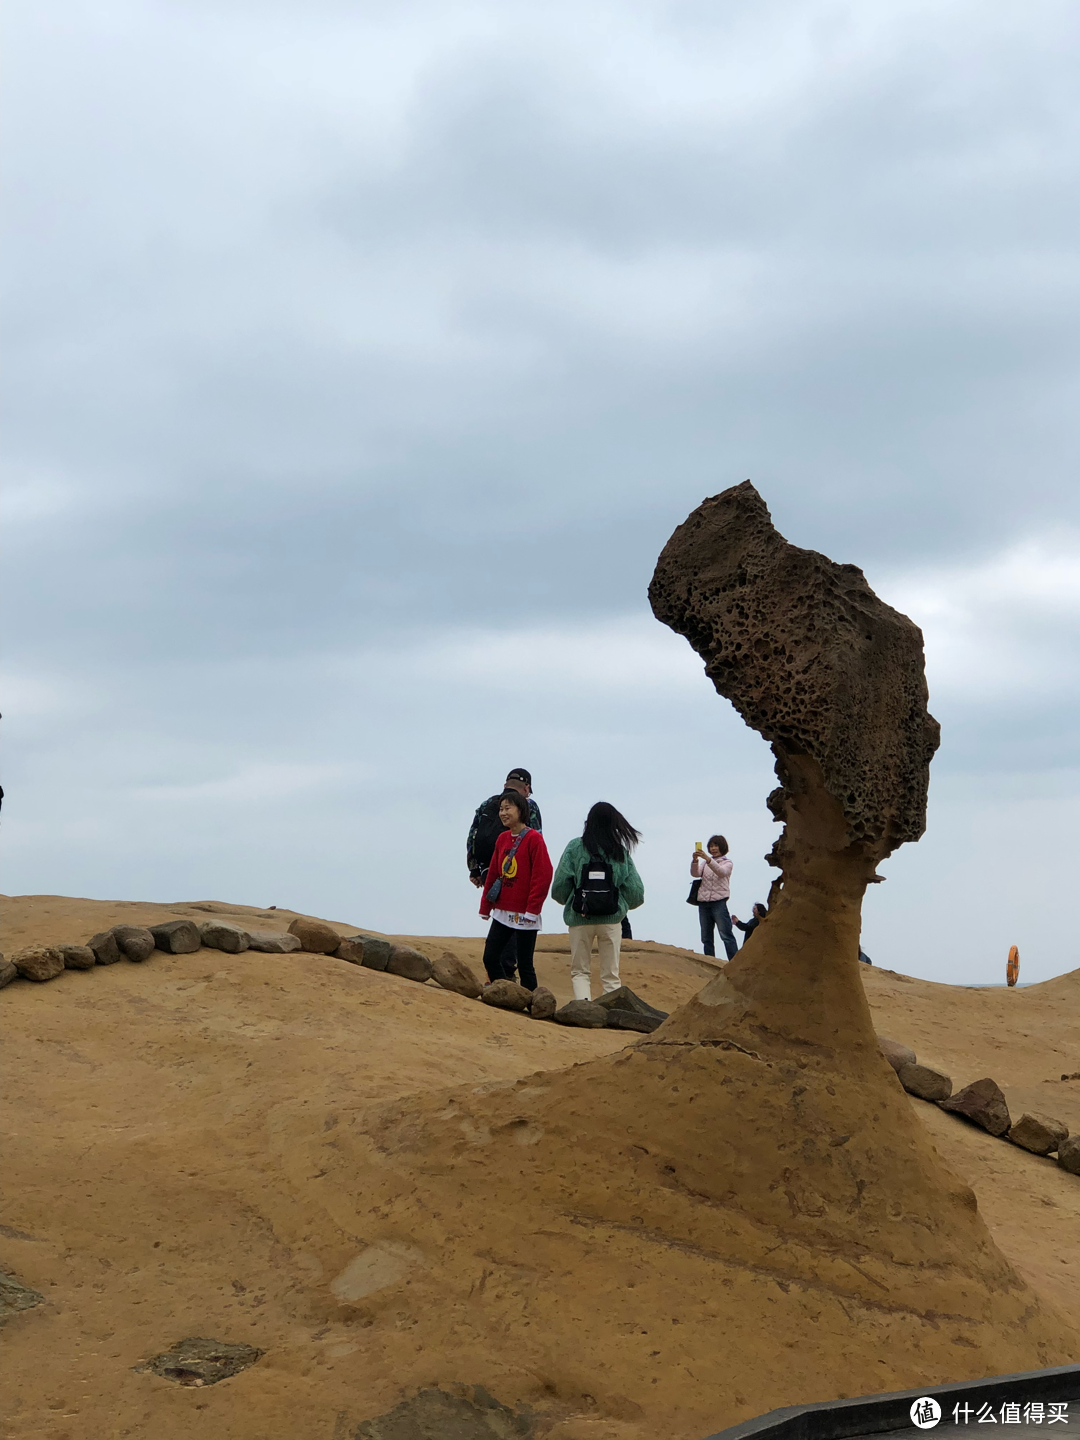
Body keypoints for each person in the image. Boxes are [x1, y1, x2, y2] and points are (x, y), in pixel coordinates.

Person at [551, 802, 645, 1001]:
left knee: (580, 972)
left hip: (580, 917)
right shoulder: (619, 851)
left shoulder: (575, 847)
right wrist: (618, 904)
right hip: (611, 921)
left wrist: (573, 900)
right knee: (611, 975)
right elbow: (637, 893)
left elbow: (559, 887)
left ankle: (583, 1008)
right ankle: (610, 1013)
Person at [478, 790, 553, 990]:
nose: (503, 813)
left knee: (525, 964)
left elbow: (543, 875)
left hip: (525, 913)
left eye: (507, 808)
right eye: (501, 809)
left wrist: (533, 908)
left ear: (521, 810)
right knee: (491, 957)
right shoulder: (502, 839)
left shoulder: (534, 839)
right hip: (503, 910)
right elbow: (494, 872)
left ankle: (533, 1003)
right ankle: (506, 992)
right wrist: (485, 907)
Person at [467, 769, 542, 888]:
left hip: (488, 868)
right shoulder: (528, 805)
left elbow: (472, 835)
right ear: (526, 787)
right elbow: (537, 838)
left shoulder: (488, 803)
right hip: (517, 869)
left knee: (496, 905)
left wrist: (474, 870)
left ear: (505, 785)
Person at [692, 835, 738, 960]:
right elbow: (695, 874)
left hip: (719, 902)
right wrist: (695, 860)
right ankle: (710, 960)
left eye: (716, 846)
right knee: (706, 937)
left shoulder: (727, 863)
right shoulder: (705, 863)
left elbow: (721, 872)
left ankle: (734, 961)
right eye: (711, 846)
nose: (713, 849)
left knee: (726, 934)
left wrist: (707, 859)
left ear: (722, 847)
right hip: (704, 902)